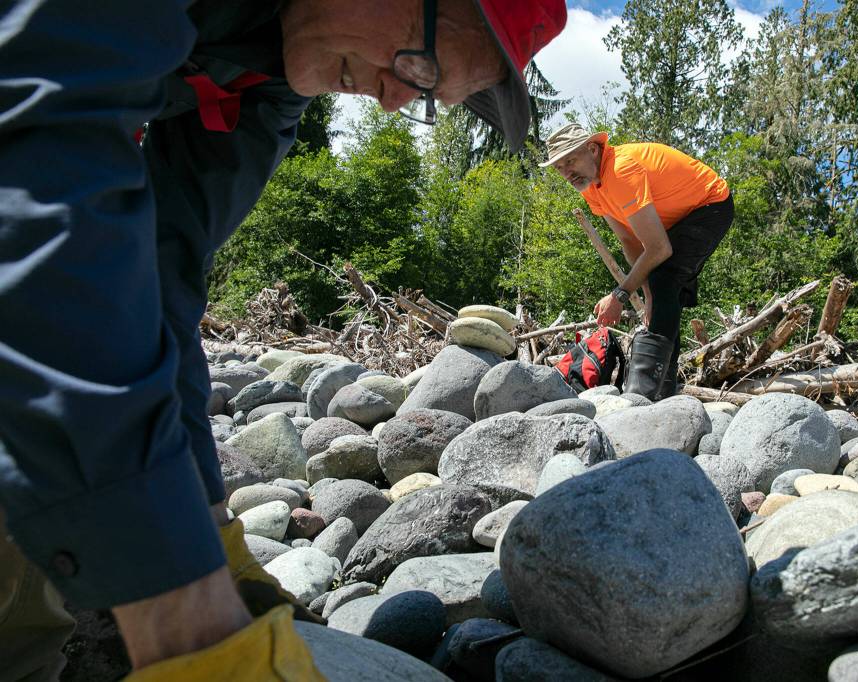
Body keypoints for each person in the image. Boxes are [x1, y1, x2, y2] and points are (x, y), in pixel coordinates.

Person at [0, 0, 566, 678]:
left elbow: (162, 275)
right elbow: (42, 197)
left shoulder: (281, 72)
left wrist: (212, 540)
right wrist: (187, 618)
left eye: (421, 95)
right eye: (419, 65)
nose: (390, 102)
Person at [542, 123, 734, 400]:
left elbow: (658, 248)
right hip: (674, 221)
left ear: (593, 149)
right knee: (663, 289)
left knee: (665, 277)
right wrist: (647, 296)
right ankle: (663, 391)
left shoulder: (620, 170)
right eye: (559, 167)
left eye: (570, 161)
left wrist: (620, 295)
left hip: (710, 204)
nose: (566, 172)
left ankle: (644, 394)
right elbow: (629, 242)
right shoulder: (592, 188)